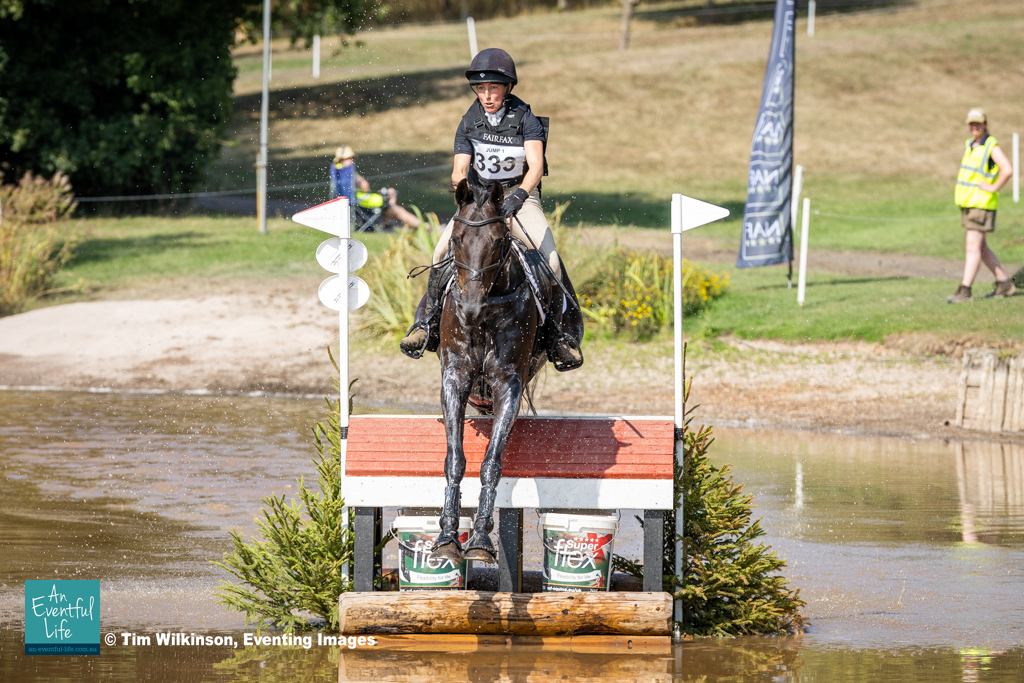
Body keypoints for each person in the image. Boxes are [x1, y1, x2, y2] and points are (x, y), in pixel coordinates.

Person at [398, 48, 583, 371]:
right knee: (440, 253)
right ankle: (426, 325)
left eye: (493, 88)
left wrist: (520, 196)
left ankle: (558, 337)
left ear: (507, 87)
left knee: (551, 260)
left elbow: (536, 166)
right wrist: (465, 192)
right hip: (480, 202)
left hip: (519, 198)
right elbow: (459, 170)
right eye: (481, 89)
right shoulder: (469, 120)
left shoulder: (526, 118)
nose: (486, 95)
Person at [948, 109, 1016, 303]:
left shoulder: (990, 146)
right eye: (971, 123)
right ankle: (1003, 283)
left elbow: (1007, 169)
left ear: (985, 124)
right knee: (981, 248)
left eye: (978, 123)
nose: (974, 127)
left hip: (981, 204)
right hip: (969, 203)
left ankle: (965, 290)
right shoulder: (971, 145)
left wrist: (993, 187)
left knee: (972, 247)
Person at [328, 146, 420, 229]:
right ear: (341, 159)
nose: (352, 160)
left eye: (352, 158)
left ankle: (388, 225)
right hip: (361, 202)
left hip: (351, 203)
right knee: (391, 199)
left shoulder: (336, 171)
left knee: (390, 206)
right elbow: (365, 186)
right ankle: (421, 225)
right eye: (349, 158)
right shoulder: (348, 172)